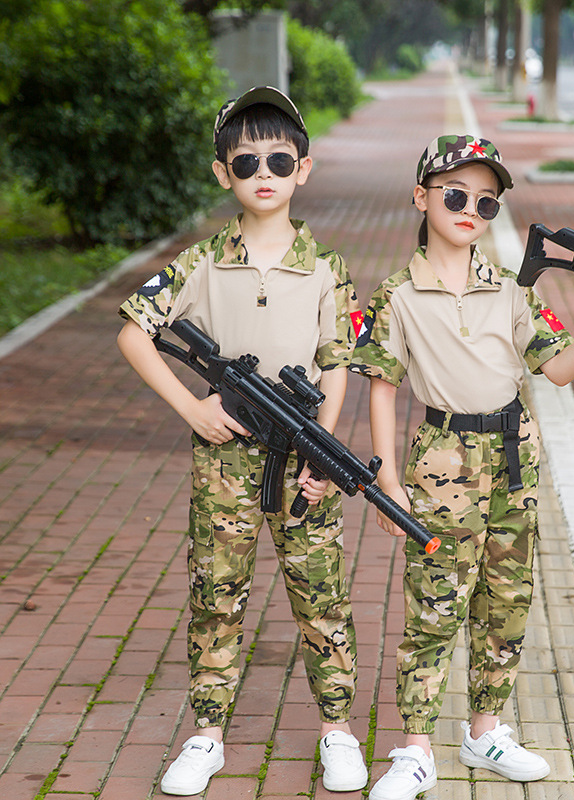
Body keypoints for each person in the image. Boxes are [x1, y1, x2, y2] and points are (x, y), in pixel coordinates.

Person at [350, 134, 574, 800]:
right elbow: (383, 385)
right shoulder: (397, 294)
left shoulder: (512, 293)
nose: (469, 210)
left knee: (506, 604)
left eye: (485, 202)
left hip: (513, 461)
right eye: (455, 194)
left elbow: (559, 370)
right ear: (421, 197)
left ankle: (485, 731)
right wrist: (387, 478)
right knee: (433, 607)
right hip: (441, 464)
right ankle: (416, 748)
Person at [117, 86, 368, 796]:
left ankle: (337, 730)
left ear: (304, 170)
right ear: (223, 171)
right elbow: (134, 332)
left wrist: (324, 449)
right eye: (247, 159)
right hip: (224, 458)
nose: (265, 171)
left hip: (302, 460)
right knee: (216, 594)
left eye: (280, 159)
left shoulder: (327, 269)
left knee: (321, 595)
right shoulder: (201, 262)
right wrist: (189, 409)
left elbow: (336, 363)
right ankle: (207, 735)